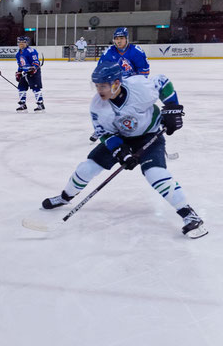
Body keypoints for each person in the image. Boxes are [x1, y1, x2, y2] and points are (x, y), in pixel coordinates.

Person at [41, 62, 206, 239]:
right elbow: (104, 133)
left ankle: (189, 215)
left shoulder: (139, 87)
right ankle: (65, 197)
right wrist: (121, 151)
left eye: (103, 85)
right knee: (87, 168)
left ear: (116, 83)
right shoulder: (97, 106)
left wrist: (173, 108)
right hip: (121, 138)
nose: (99, 90)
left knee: (155, 174)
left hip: (149, 135)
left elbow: (163, 82)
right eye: (96, 85)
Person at [15, 36, 44, 112]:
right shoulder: (18, 54)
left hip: (34, 72)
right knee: (21, 88)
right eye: (19, 42)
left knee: (35, 88)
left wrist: (34, 68)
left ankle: (40, 104)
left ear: (26, 43)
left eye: (23, 42)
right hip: (25, 73)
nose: (21, 44)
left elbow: (36, 62)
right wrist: (19, 72)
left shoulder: (31, 51)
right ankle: (22, 104)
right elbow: (20, 65)